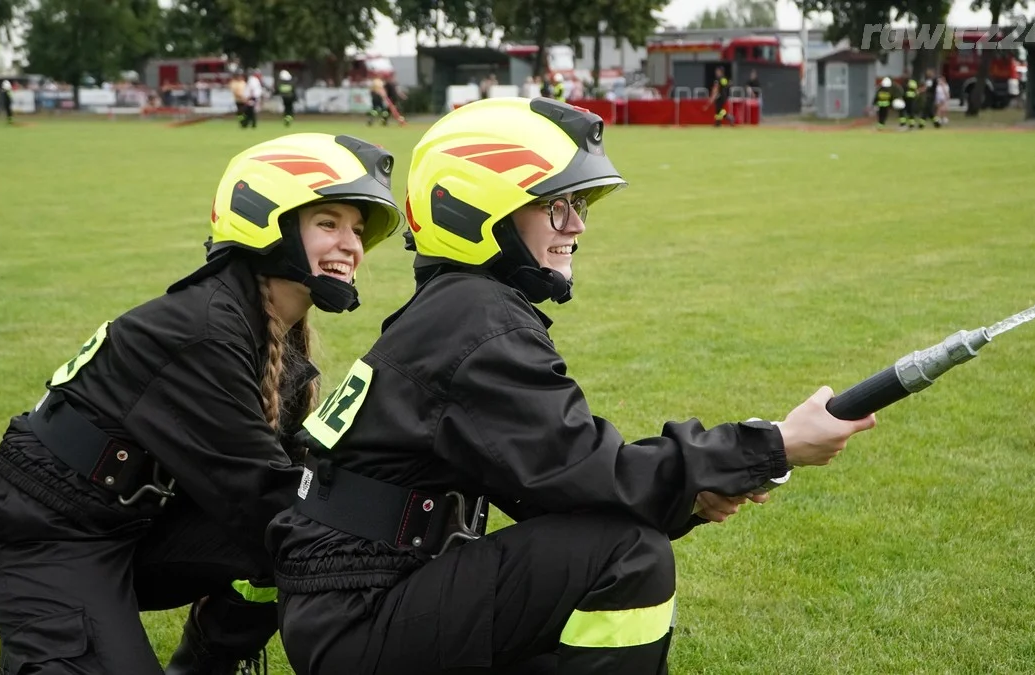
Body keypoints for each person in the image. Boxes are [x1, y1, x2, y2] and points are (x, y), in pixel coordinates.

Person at [266, 97, 876, 675]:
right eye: (557, 205)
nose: (577, 225)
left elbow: (561, 490)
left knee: (605, 566)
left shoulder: (457, 310)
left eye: (579, 204)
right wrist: (776, 444)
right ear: (480, 212)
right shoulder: (474, 320)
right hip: (357, 620)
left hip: (352, 606)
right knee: (629, 554)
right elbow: (593, 471)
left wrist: (694, 493)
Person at [0, 133, 403, 675]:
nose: (351, 245)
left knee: (277, 544)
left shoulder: (266, 325)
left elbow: (293, 487)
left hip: (140, 517)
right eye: (328, 224)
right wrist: (395, 534)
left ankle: (203, 665)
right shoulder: (206, 332)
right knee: (290, 524)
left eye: (357, 230)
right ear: (267, 221)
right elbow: (263, 496)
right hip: (45, 531)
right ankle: (0, 634)